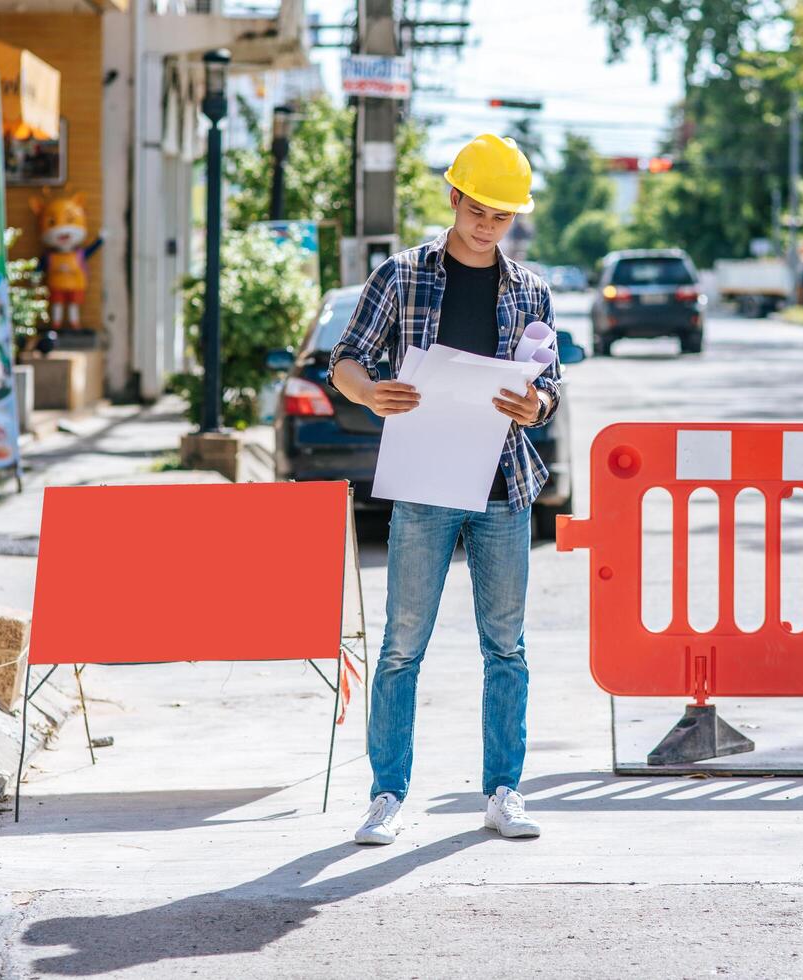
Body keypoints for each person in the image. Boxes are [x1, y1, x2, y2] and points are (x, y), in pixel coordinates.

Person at [328, 134, 561, 845]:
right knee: (402, 647)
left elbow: (549, 382)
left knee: (506, 648)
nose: (489, 223)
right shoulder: (401, 276)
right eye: (479, 208)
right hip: (426, 484)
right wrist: (371, 393)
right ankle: (387, 795)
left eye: (503, 214)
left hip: (502, 488)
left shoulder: (529, 290)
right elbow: (345, 360)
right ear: (453, 197)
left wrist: (537, 407)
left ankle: (504, 791)